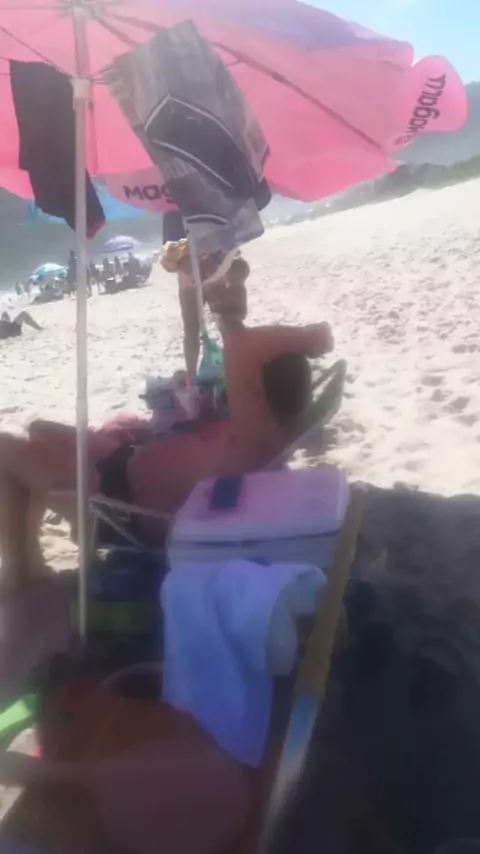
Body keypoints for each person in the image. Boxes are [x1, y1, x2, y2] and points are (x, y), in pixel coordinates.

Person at [0, 320, 333, 591]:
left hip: (115, 503)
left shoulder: (259, 439)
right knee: (40, 428)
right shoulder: (263, 429)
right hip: (123, 464)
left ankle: (20, 568)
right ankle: (28, 555)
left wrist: (308, 337)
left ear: (258, 390)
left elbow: (239, 344)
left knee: (5, 444)